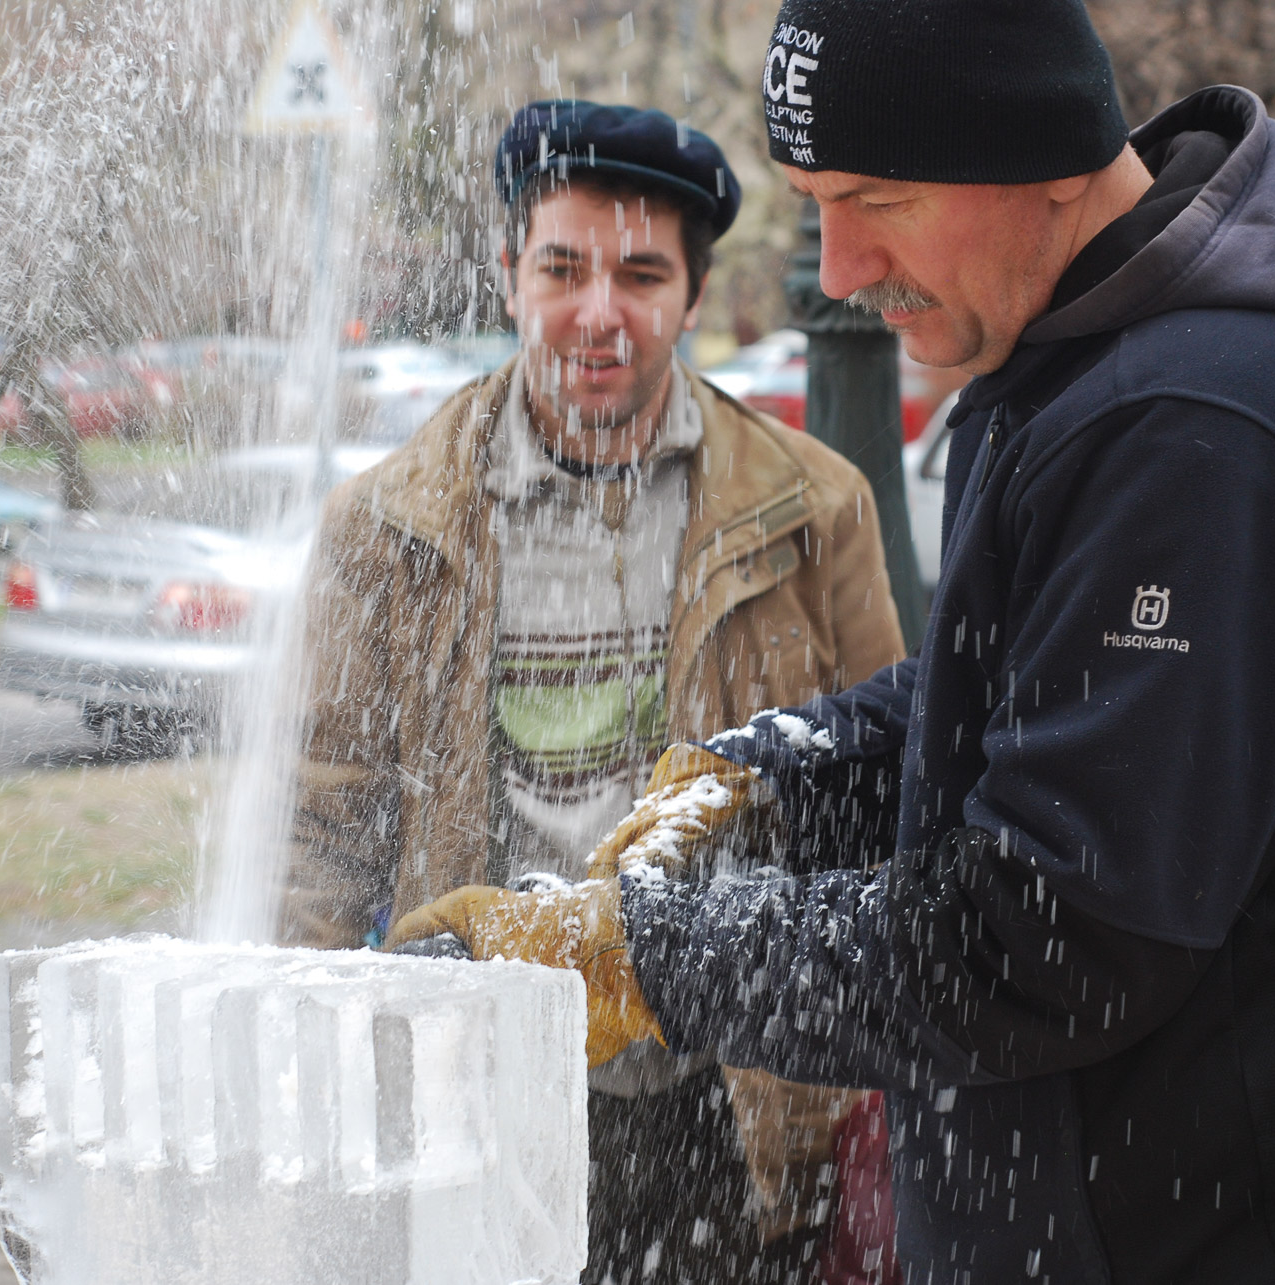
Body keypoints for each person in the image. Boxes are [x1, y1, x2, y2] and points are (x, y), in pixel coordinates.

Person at [387, 4, 1275, 1283]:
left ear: (1046, 157)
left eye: (878, 196)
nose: (834, 266)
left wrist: (646, 956)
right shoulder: (1083, 353)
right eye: (814, 201)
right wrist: (780, 767)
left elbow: (1052, 931)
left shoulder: (1210, 421)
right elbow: (1016, 693)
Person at [284, 100, 907, 1284]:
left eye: (641, 272)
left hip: (724, 1091)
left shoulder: (814, 509)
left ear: (693, 292)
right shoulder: (387, 522)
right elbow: (323, 824)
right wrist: (303, 1084)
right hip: (476, 1082)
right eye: (561, 266)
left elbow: (879, 810)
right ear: (508, 272)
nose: (599, 312)